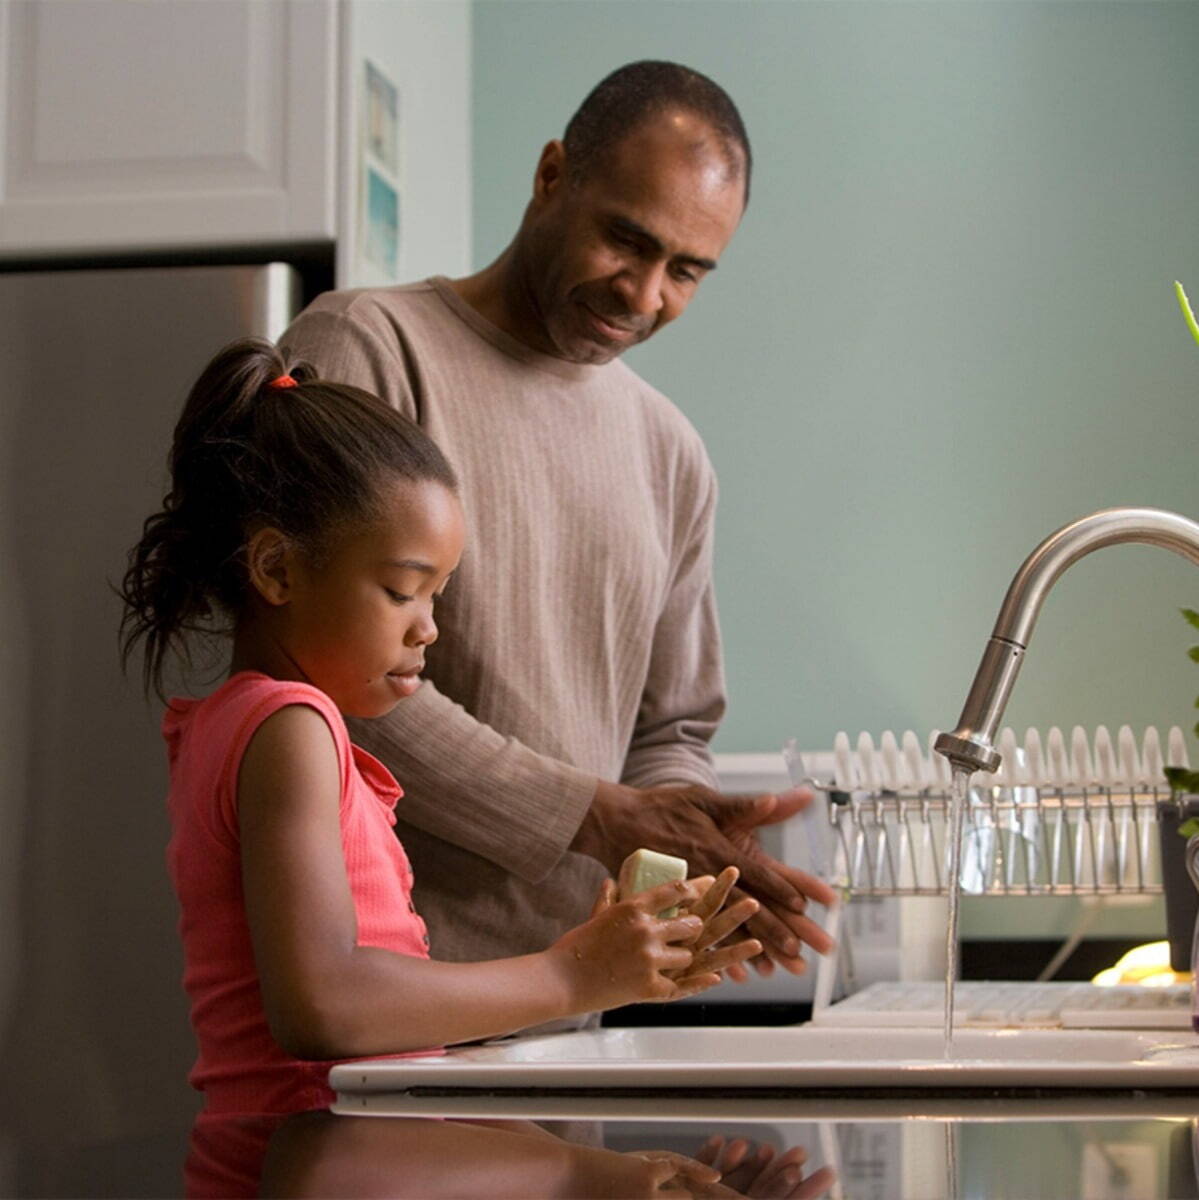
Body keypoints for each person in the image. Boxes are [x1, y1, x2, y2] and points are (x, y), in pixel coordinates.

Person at [279, 59, 836, 989]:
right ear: (551, 177)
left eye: (687, 271)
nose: (644, 294)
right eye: (626, 238)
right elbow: (320, 673)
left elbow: (670, 725)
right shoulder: (367, 349)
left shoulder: (670, 453)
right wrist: (594, 815)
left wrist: (683, 830)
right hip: (371, 997)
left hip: (567, 1005)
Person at [118, 338, 760, 1115]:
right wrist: (570, 975)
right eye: (401, 591)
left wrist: (597, 963)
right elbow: (326, 1005)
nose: (429, 630)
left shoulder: (239, 722)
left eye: (437, 597)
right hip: (304, 1164)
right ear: (277, 570)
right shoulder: (291, 726)